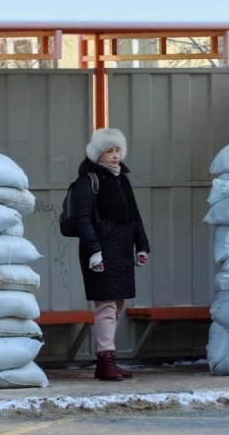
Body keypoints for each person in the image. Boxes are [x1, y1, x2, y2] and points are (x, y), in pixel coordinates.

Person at [71, 128, 150, 382]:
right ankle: (105, 360)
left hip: (121, 251)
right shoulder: (88, 181)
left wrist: (142, 246)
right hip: (102, 250)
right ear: (97, 154)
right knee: (106, 305)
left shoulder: (120, 179)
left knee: (116, 306)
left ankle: (108, 360)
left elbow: (134, 214)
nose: (115, 156)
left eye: (118, 150)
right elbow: (82, 219)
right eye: (109, 151)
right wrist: (94, 251)